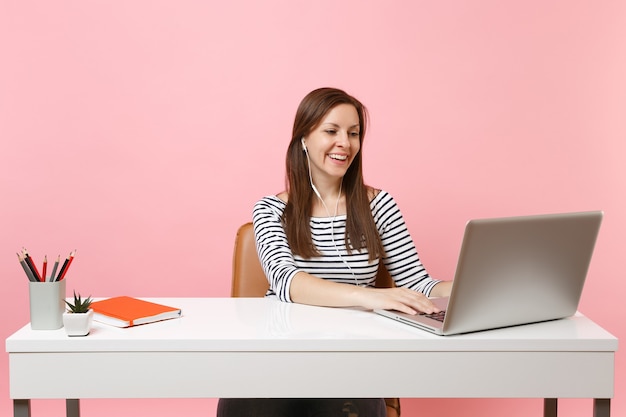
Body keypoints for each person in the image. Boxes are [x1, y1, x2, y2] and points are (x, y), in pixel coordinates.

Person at [217, 87, 452, 417]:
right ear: (304, 138)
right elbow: (287, 282)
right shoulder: (270, 210)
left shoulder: (379, 206)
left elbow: (418, 283)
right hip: (280, 353)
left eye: (354, 133)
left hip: (351, 354)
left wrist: (473, 287)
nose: (346, 142)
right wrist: (371, 296)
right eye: (331, 131)